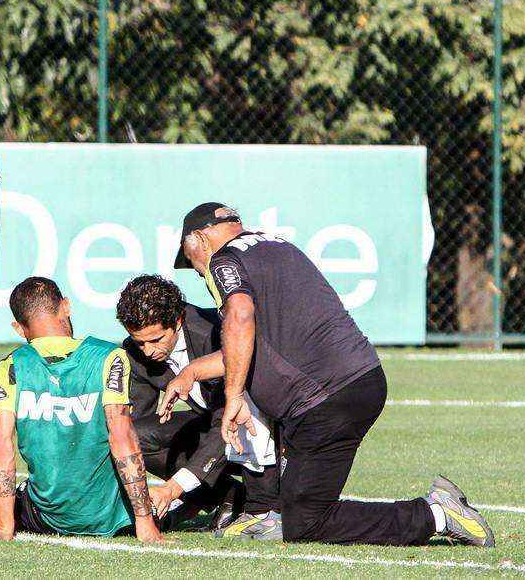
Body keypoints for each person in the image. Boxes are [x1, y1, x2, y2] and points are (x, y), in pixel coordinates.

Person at [174, 202, 495, 547]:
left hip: (325, 399)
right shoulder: (274, 245)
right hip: (359, 379)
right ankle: (266, 513)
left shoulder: (224, 259)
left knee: (305, 524)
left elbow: (239, 315)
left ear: (201, 239)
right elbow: (248, 346)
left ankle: (438, 514)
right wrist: (193, 370)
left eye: (191, 261)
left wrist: (234, 395)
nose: (197, 270)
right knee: (297, 506)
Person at [0, 277, 164, 543]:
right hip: (114, 519)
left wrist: (3, 528)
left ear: (18, 328)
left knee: (18, 497)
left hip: (47, 519)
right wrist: (145, 523)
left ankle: (0, 506)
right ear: (66, 307)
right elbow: (122, 437)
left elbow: (2, 447)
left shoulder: (7, 368)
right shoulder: (110, 357)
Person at [115, 275, 282, 540]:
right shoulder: (134, 352)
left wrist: (174, 488)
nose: (147, 351)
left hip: (264, 430)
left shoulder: (215, 333)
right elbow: (132, 429)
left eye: (156, 339)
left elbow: (228, 420)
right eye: (139, 342)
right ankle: (228, 497)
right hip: (213, 425)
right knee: (134, 436)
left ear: (178, 321)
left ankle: (257, 499)